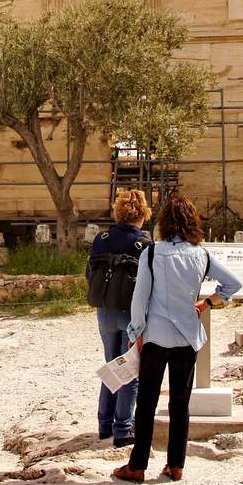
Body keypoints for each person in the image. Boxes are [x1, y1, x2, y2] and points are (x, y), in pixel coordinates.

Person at [113, 195, 241, 483]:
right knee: (180, 403)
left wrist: (135, 333)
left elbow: (140, 297)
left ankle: (137, 465)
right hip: (187, 337)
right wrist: (208, 303)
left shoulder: (152, 252)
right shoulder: (202, 254)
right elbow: (234, 283)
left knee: (146, 401)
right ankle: (176, 464)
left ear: (164, 222)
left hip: (156, 336)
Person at [88, 189, 153, 447]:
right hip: (130, 314)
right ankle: (123, 429)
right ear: (143, 213)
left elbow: (90, 273)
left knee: (111, 367)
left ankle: (104, 425)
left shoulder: (101, 239)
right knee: (130, 371)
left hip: (104, 310)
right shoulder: (145, 245)